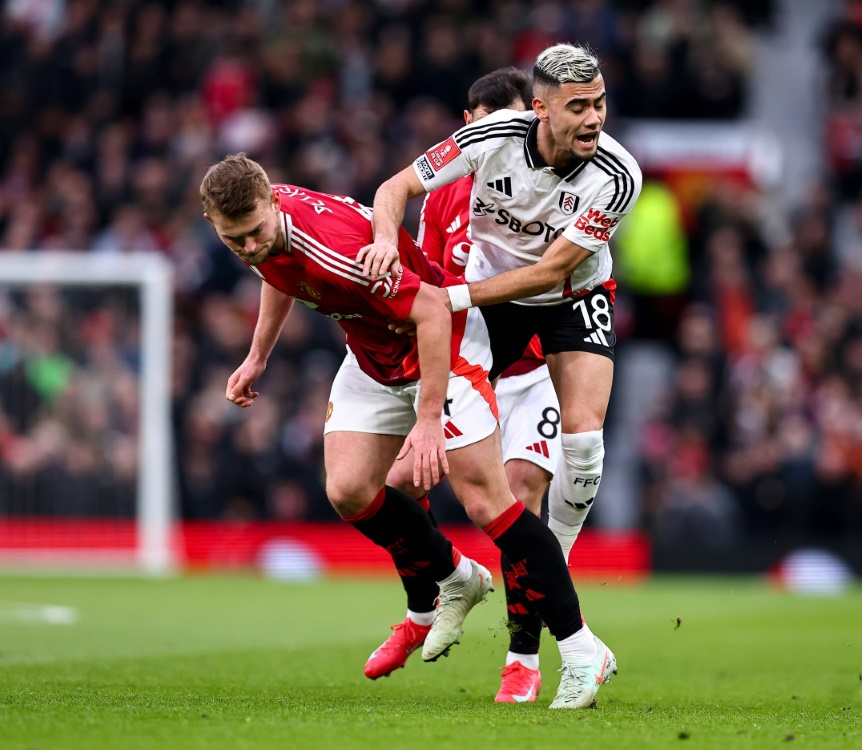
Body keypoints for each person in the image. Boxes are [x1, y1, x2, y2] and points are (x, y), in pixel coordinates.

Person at [200, 153, 616, 709]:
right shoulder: (263, 229)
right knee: (348, 490)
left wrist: (426, 423)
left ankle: (582, 649)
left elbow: (433, 313)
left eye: (253, 233)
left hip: (440, 347)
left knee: (488, 503)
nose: (248, 248)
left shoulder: (340, 250)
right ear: (215, 224)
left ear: (274, 201)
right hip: (371, 357)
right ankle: (455, 577)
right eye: (235, 241)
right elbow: (279, 272)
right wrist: (257, 356)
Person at [360, 44, 642, 573]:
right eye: (578, 106)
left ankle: (554, 571)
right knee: (399, 478)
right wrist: (381, 241)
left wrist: (451, 298)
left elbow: (550, 271)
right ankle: (442, 583)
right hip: (491, 300)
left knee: (584, 448)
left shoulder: (619, 175)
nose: (594, 118)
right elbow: (394, 187)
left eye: (599, 103)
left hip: (571, 299)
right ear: (540, 109)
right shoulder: (489, 138)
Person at [369, 68, 562, 704]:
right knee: (392, 485)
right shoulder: (443, 195)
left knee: (518, 506)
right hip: (466, 363)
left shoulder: (556, 187)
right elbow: (424, 291)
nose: (486, 134)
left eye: (499, 120)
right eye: (474, 123)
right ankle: (431, 597)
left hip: (530, 371)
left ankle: (523, 660)